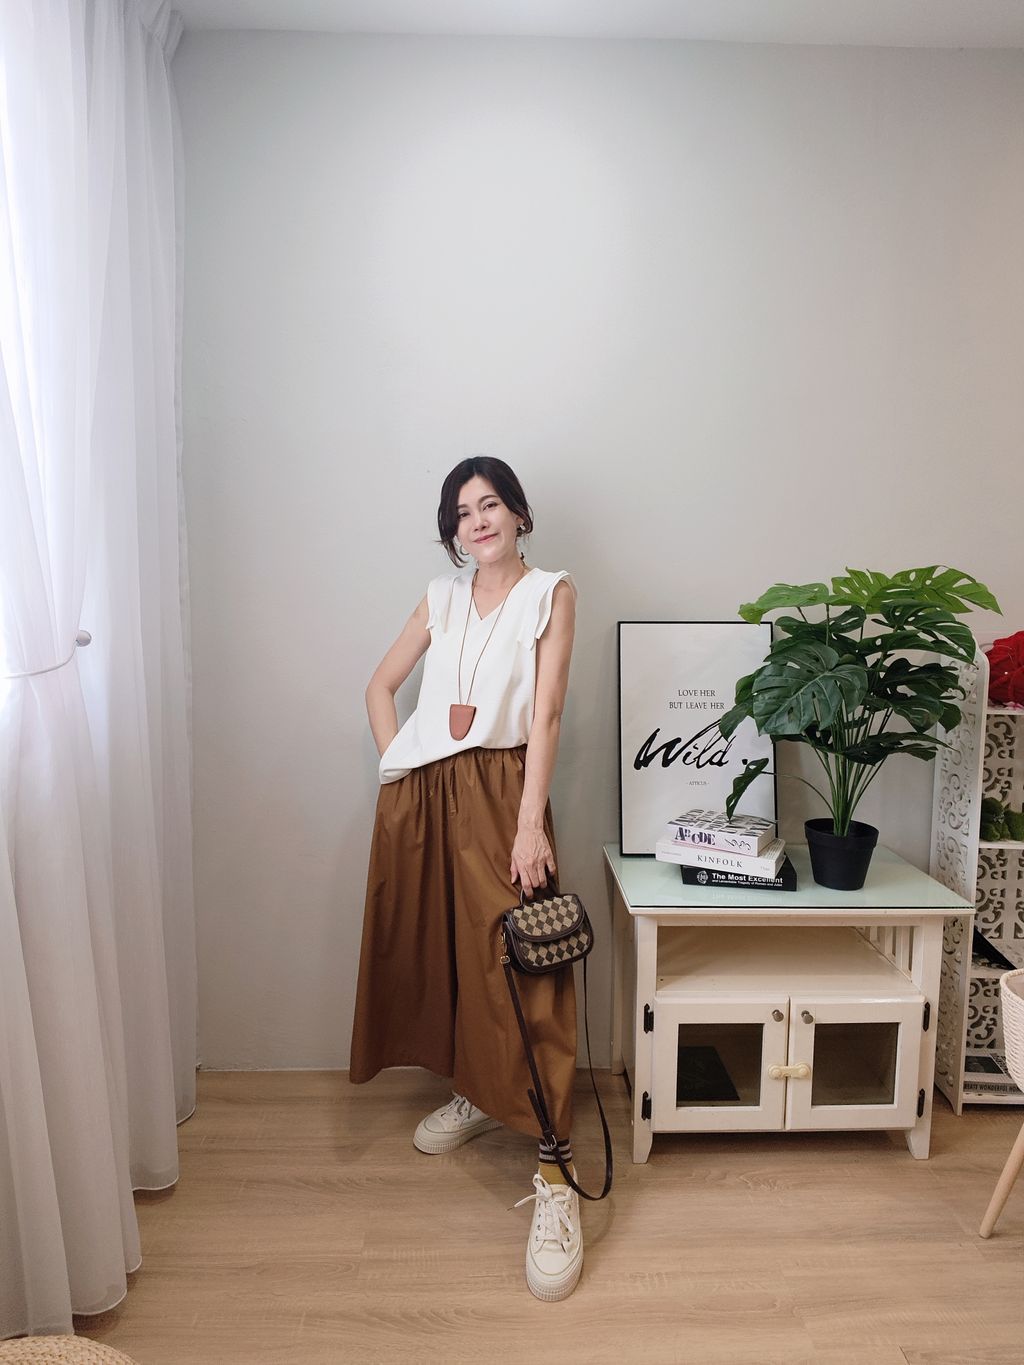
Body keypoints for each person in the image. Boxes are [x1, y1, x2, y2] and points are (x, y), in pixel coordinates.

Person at [349, 456, 581, 1301]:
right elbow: (380, 687)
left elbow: (545, 713)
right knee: (445, 952)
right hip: (426, 795)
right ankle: (477, 1092)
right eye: (460, 511)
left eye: (489, 504)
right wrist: (402, 764)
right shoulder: (439, 598)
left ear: (518, 512)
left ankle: (556, 1176)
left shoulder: (551, 592)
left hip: (503, 793)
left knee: (524, 967)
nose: (475, 520)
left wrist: (528, 821)